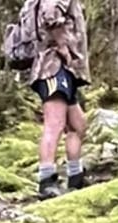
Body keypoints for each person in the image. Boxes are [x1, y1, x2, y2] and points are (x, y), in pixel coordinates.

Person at [11, 0, 90, 198]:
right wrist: (62, 45)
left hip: (62, 69)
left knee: (78, 125)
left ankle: (76, 176)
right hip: (52, 67)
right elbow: (50, 14)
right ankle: (46, 180)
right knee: (55, 124)